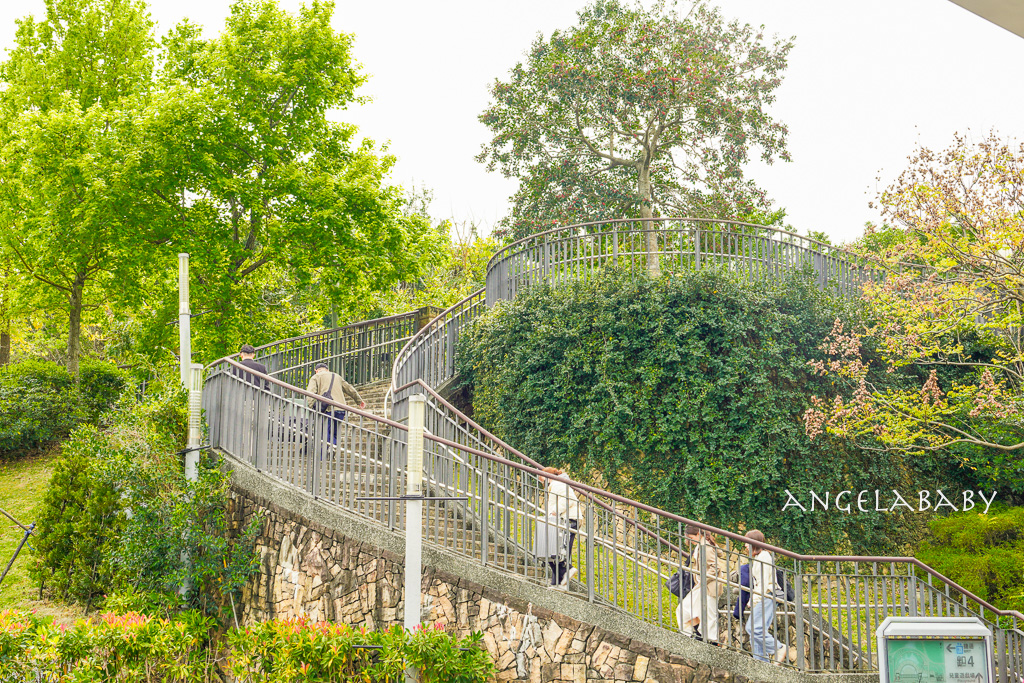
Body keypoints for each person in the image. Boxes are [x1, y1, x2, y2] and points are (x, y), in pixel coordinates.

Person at [744, 529, 787, 664]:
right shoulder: (758, 557)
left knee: (753, 629)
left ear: (753, 543)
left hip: (767, 595)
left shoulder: (764, 557)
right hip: (764, 596)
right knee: (755, 633)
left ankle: (778, 648)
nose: (745, 545)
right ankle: (762, 665)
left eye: (747, 542)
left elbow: (763, 582)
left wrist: (754, 599)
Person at [677, 524, 724, 645]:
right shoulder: (701, 545)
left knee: (709, 614)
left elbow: (715, 567)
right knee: (686, 610)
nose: (690, 541)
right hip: (702, 586)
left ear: (698, 534)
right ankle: (698, 635)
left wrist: (703, 580)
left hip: (709, 586)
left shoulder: (705, 547)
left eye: (691, 537)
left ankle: (711, 641)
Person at [305, 362, 366, 444]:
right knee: (334, 433)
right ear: (327, 370)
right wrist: (359, 401)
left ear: (316, 370)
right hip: (341, 409)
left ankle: (327, 452)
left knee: (325, 433)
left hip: (327, 409)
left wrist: (311, 407)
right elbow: (350, 389)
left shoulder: (315, 377)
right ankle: (333, 449)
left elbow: (310, 394)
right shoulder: (337, 376)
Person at [542, 466, 579, 589]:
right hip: (567, 519)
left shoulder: (558, 484)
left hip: (567, 519)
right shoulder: (559, 484)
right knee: (556, 551)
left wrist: (554, 512)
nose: (542, 483)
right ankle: (558, 583)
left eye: (542, 480)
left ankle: (568, 569)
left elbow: (568, 500)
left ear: (548, 477)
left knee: (553, 550)